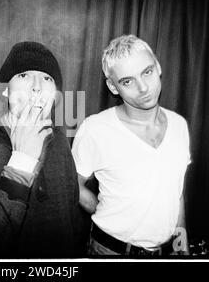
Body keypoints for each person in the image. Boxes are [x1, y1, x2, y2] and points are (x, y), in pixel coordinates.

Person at [0, 41, 84, 258]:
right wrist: (21, 163)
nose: (36, 87)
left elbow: (72, 222)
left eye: (47, 78)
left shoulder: (59, 141)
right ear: (5, 90)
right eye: (24, 75)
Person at [72, 35, 191, 257]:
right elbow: (72, 185)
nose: (144, 87)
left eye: (147, 72)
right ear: (113, 87)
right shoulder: (96, 129)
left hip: (168, 252)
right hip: (111, 251)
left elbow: (177, 193)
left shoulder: (179, 125)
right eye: (128, 81)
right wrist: (104, 210)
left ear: (158, 67)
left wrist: (181, 246)